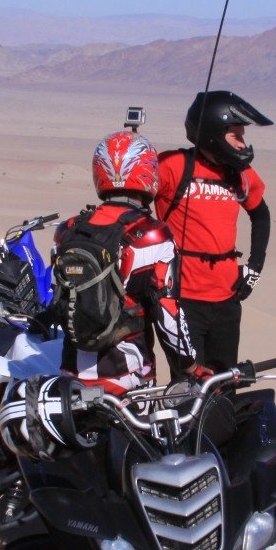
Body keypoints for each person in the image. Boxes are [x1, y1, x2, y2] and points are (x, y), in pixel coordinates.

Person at [51, 130, 200, 394]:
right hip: (128, 375)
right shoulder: (153, 235)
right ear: (148, 171)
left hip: (70, 373)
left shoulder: (69, 230)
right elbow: (168, 315)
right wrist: (190, 366)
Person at [155, 90, 274, 373]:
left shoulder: (240, 174)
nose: (243, 143)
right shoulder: (174, 166)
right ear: (212, 132)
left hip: (227, 299)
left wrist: (255, 267)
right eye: (236, 135)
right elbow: (133, 199)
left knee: (224, 382)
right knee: (189, 384)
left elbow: (261, 214)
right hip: (182, 299)